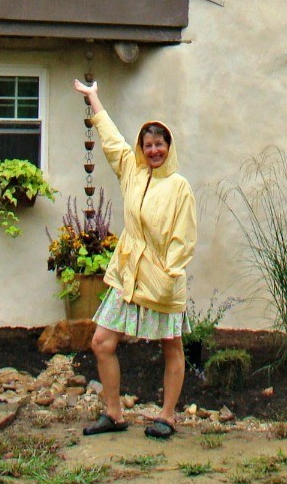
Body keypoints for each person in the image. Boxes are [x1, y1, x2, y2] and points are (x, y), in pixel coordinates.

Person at [72, 78, 197, 439]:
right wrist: (94, 98)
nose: (153, 150)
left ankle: (168, 415)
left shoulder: (179, 187)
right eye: (148, 145)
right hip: (129, 272)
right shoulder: (132, 171)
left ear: (168, 147)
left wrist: (170, 271)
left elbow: (183, 236)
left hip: (162, 276)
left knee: (171, 345)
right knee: (101, 341)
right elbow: (111, 141)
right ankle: (113, 413)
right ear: (141, 149)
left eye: (159, 145)